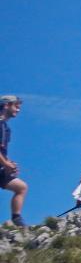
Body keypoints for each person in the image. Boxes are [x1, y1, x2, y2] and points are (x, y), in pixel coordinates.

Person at [0, 95, 27, 227]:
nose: (18, 110)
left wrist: (9, 163)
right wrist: (5, 164)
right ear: (6, 105)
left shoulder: (5, 127)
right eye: (16, 106)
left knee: (21, 187)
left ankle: (16, 219)